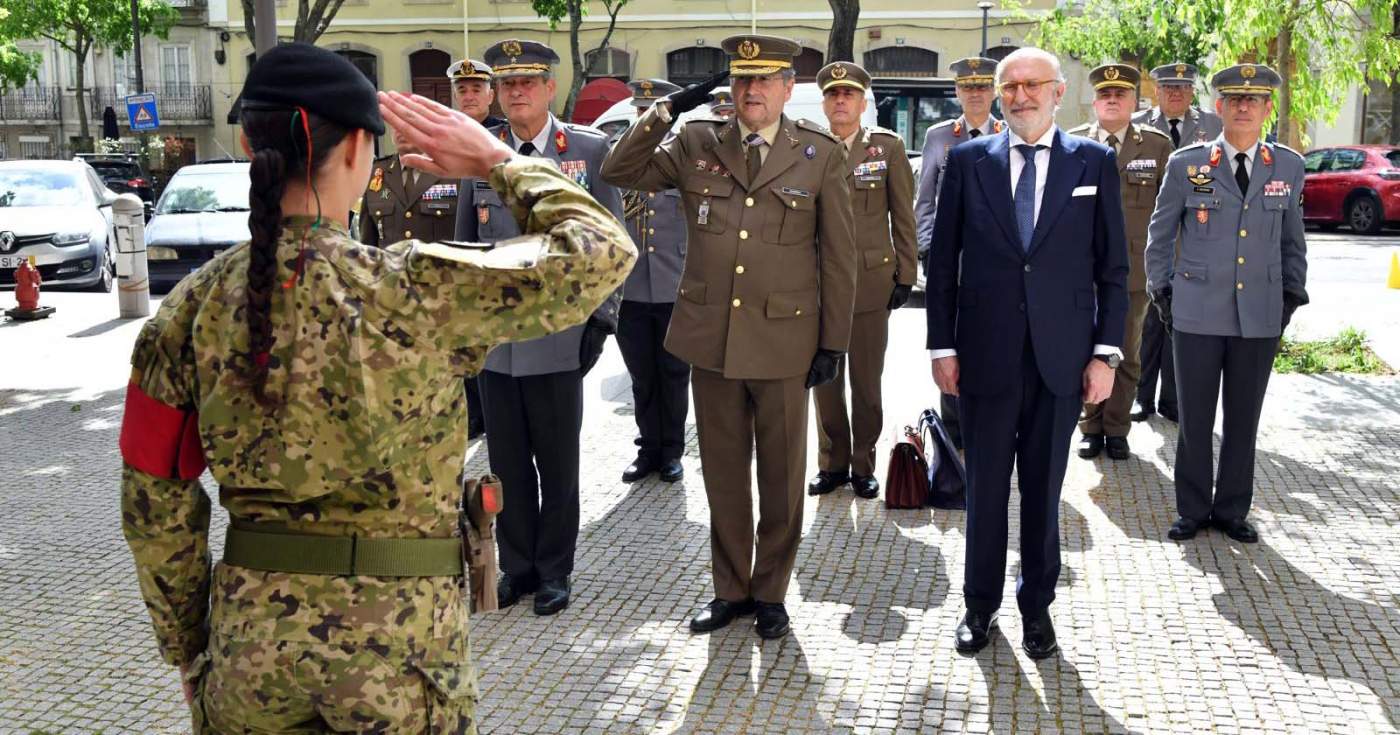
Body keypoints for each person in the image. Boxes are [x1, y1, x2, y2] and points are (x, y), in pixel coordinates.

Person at [119, 43, 634, 733]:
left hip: (251, 655)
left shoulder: (188, 309)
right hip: (403, 658)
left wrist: (190, 649)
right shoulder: (414, 287)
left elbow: (153, 500)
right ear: (362, 150)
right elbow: (603, 250)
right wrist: (496, 161)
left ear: (247, 144)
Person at [602, 34, 856, 640]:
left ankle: (771, 590)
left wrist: (834, 343)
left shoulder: (818, 155)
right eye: (742, 80)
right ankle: (730, 589)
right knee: (721, 472)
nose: (752, 91)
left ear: (788, 89)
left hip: (785, 341)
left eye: (765, 79)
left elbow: (840, 259)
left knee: (781, 475)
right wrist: (665, 109)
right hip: (711, 339)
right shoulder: (695, 142)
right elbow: (620, 169)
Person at [926, 47, 1127, 658]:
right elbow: (942, 267)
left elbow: (1113, 268)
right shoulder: (967, 162)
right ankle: (978, 606)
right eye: (1008, 86)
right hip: (984, 356)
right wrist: (942, 344)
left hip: (1061, 359)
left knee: (1043, 489)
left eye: (1031, 85)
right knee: (985, 489)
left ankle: (1037, 608)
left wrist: (1105, 355)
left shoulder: (1093, 161)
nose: (1018, 96)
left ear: (1058, 90)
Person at [455, 39, 625, 617]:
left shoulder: (586, 150)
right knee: (506, 464)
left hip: (558, 341)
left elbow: (613, 242)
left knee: (557, 464)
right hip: (498, 347)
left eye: (528, 81)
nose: (517, 92)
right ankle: (518, 567)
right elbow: (462, 249)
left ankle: (556, 570)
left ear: (551, 87)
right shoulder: (482, 153)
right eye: (508, 84)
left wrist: (600, 321)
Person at [1146, 63, 1308, 544]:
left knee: (1244, 419)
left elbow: (1292, 241)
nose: (1243, 107)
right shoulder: (1187, 163)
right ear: (1218, 107)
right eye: (1234, 99)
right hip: (1195, 311)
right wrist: (1163, 291)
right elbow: (1160, 235)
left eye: (1253, 100)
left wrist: (1291, 298)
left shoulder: (1289, 166)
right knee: (1194, 418)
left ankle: (1233, 509)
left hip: (1259, 314)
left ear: (1266, 109)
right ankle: (1192, 510)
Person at [807, 61, 917, 500]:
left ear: (863, 102)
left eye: (848, 94)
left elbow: (902, 215)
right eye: (833, 95)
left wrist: (906, 273)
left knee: (867, 383)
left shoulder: (886, 148)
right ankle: (831, 462)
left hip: (871, 284)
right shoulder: (807, 147)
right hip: (817, 286)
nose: (840, 101)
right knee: (824, 381)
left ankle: (862, 463)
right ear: (824, 103)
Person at [1067, 64, 1172, 461]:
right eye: (1105, 94)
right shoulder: (1073, 143)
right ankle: (1089, 426)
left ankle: (1116, 428)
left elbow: (1168, 213)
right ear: (1095, 102)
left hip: (1132, 268)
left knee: (1125, 351)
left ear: (1134, 102)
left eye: (1121, 94)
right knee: (1082, 349)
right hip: (1080, 268)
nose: (1112, 100)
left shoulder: (1157, 147)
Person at [912, 56, 1005, 449]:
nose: (976, 94)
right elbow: (925, 200)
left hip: (997, 265)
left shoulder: (1009, 132)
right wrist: (928, 249)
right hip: (949, 261)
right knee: (946, 342)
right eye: (968, 87)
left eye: (983, 87)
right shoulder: (939, 136)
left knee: (994, 342)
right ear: (957, 92)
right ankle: (951, 430)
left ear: (994, 92)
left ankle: (990, 424)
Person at [1132, 63, 1224, 423]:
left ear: (1192, 92)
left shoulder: (1212, 127)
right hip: (1151, 237)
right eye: (1169, 87)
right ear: (1157, 90)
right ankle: (1142, 397)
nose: (1175, 93)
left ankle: (1173, 400)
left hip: (1195, 239)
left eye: (1183, 87)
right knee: (1148, 322)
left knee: (1183, 323)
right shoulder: (1139, 124)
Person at [615, 78, 692, 485]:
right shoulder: (620, 157)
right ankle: (647, 448)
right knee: (642, 374)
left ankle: (672, 452)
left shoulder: (685, 158)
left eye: (652, 110)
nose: (645, 117)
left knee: (674, 373)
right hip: (631, 287)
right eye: (640, 111)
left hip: (674, 285)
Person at [447, 57, 503, 439]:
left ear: (491, 95)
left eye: (476, 89)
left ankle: (486, 414)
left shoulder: (502, 141)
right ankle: (468, 415)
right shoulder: (442, 138)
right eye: (462, 90)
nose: (468, 96)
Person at [358, 126, 460, 248]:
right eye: (394, 124)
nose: (400, 129)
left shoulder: (454, 171)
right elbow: (368, 244)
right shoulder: (377, 172)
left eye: (407, 123)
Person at [448, 58, 504, 127]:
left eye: (476, 91)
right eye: (462, 91)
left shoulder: (507, 133)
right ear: (455, 97)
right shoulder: (446, 132)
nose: (469, 97)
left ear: (490, 96)